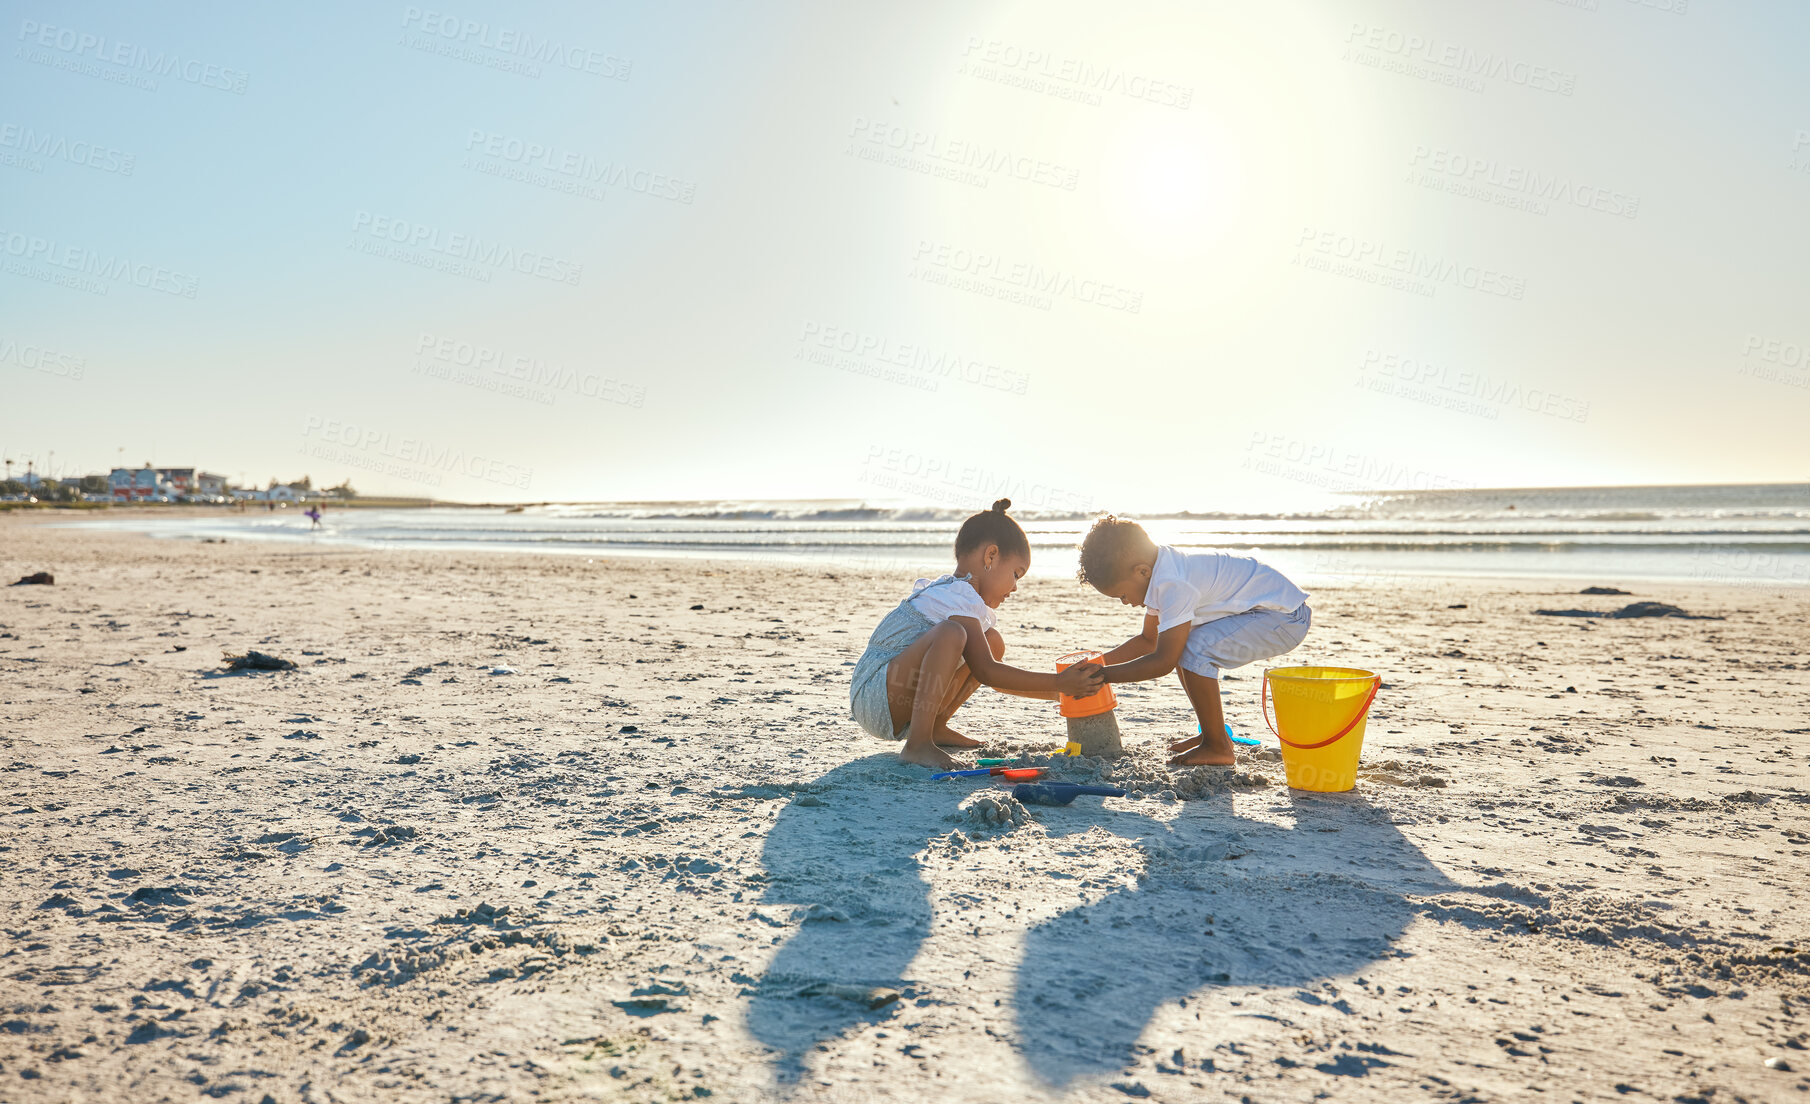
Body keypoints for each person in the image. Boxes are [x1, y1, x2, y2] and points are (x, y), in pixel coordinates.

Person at [850, 499, 1105, 770]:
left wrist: (1056, 692)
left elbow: (993, 676)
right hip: (874, 694)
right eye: (1016, 575)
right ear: (991, 556)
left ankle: (934, 728)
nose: (1015, 587)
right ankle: (918, 744)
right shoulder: (958, 597)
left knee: (991, 642)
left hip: (888, 695)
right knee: (951, 634)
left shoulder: (959, 597)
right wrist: (1058, 682)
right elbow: (988, 672)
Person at [1077, 515, 1311, 766]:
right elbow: (1149, 640)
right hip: (1271, 613)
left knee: (1193, 651)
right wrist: (1097, 662)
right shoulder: (1161, 573)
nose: (1125, 602)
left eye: (1122, 595)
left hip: (1285, 618)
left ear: (1142, 571)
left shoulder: (1173, 584)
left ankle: (1218, 746)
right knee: (1180, 645)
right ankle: (1213, 734)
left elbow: (1162, 662)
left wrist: (1102, 676)